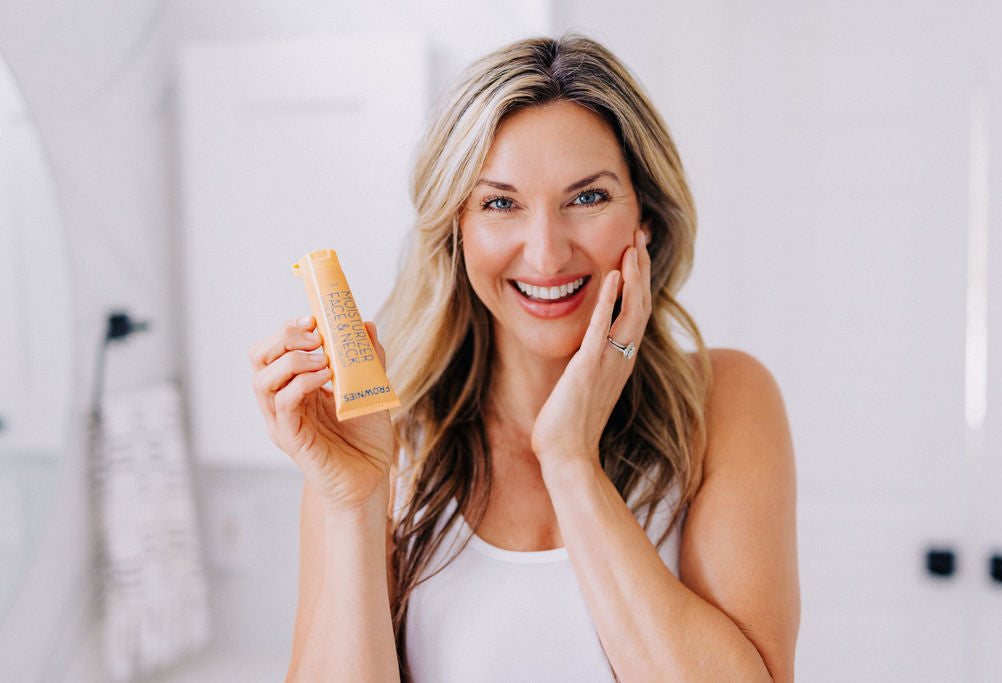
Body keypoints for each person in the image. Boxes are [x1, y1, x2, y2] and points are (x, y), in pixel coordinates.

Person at [250, 34, 799, 682]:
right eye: (500, 203)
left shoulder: (722, 399)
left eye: (587, 197)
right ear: (458, 228)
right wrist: (353, 504)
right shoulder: (379, 437)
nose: (545, 254)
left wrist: (570, 459)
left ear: (644, 217)